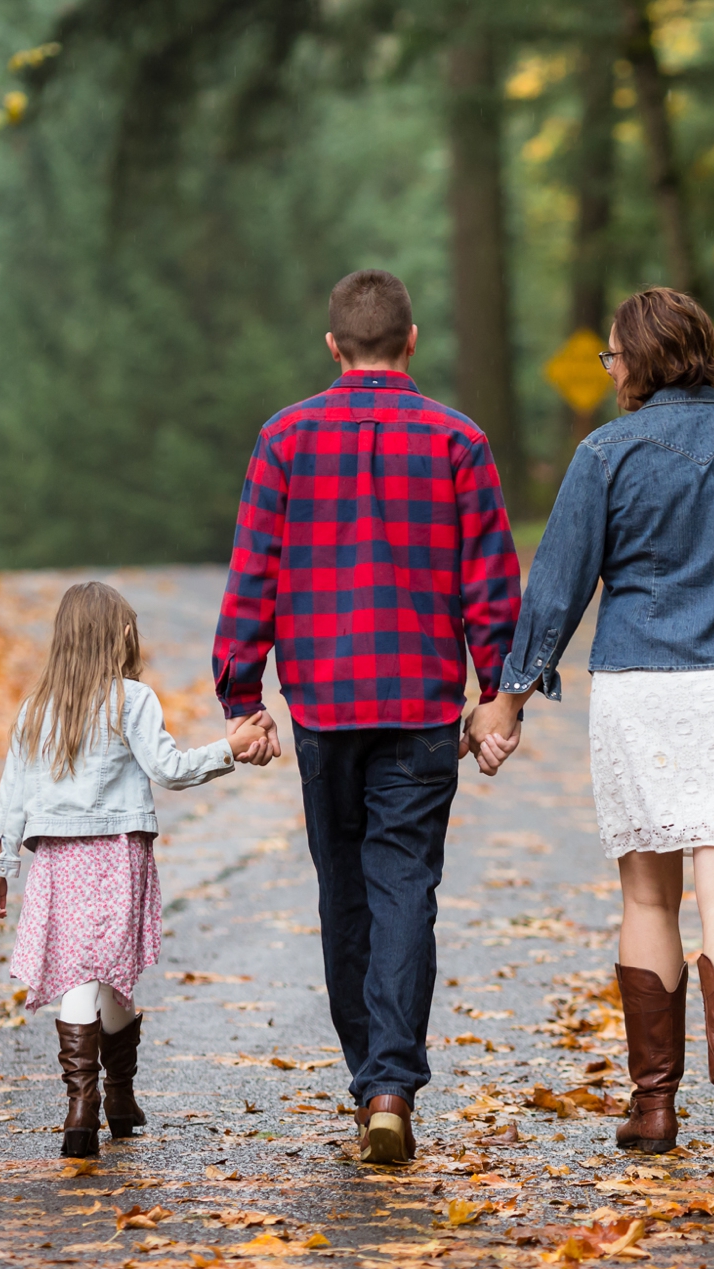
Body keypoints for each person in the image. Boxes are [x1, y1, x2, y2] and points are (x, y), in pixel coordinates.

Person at [470, 287, 714, 1176]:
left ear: (639, 358)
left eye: (610, 354)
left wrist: (509, 698)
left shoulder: (605, 453)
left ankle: (654, 1105)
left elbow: (559, 587)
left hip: (641, 688)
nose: (607, 369)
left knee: (647, 900)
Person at [212, 269, 521, 1165]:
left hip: (326, 709)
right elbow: (491, 588)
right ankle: (390, 1083)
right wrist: (496, 698)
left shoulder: (284, 439)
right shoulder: (459, 441)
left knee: (344, 893)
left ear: (334, 346)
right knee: (405, 892)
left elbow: (253, 575)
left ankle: (372, 1083)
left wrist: (243, 697)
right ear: (413, 341)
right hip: (422, 708)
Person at [0, 581, 273, 1159]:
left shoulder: (36, 708)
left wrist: (0, 864)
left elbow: (11, 795)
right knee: (99, 974)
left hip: (60, 863)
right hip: (115, 856)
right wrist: (227, 749)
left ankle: (107, 1099)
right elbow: (167, 769)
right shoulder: (132, 699)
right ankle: (87, 1104)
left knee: (85, 975)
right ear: (120, 637)